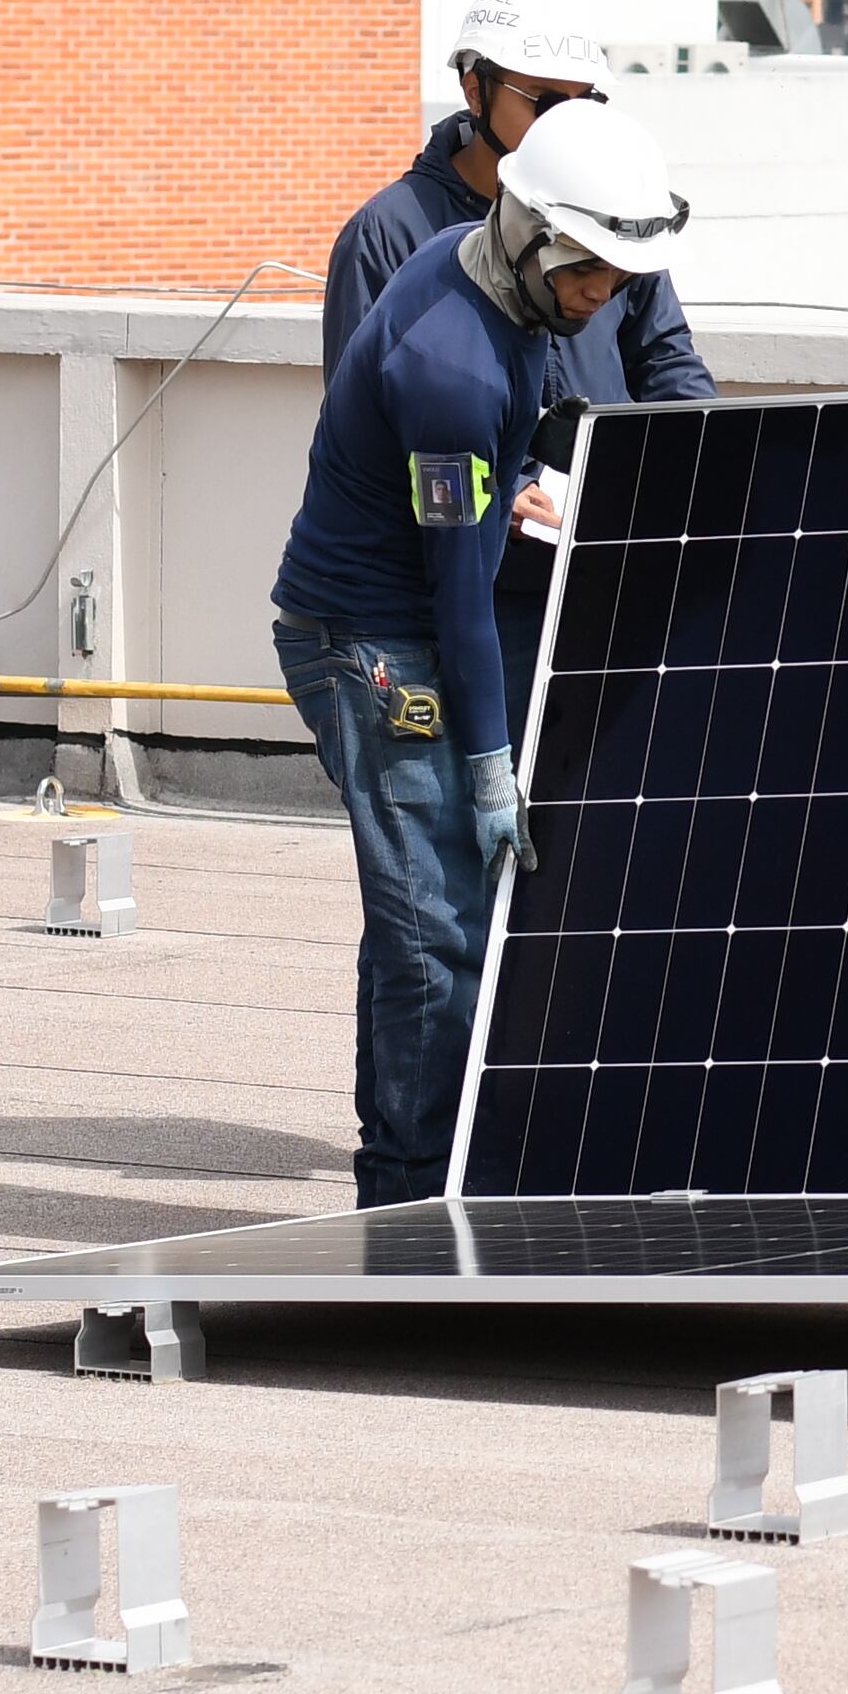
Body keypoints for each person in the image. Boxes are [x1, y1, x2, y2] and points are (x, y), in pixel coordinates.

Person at [272, 98, 693, 1205]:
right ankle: (411, 1199)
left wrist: (513, 493)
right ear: (531, 236)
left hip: (413, 608)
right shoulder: (457, 366)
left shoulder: (481, 278)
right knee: (440, 933)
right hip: (372, 644)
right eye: (591, 272)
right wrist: (488, 770)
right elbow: (457, 599)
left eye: (622, 277)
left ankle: (413, 1167)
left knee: (416, 911)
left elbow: (461, 517)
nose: (605, 298)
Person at [325, 0, 713, 404]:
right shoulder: (387, 233)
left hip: (602, 471)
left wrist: (704, 448)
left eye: (585, 100)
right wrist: (515, 475)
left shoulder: (617, 200)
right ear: (476, 91)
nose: (568, 121)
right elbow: (358, 411)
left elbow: (665, 360)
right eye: (544, 101)